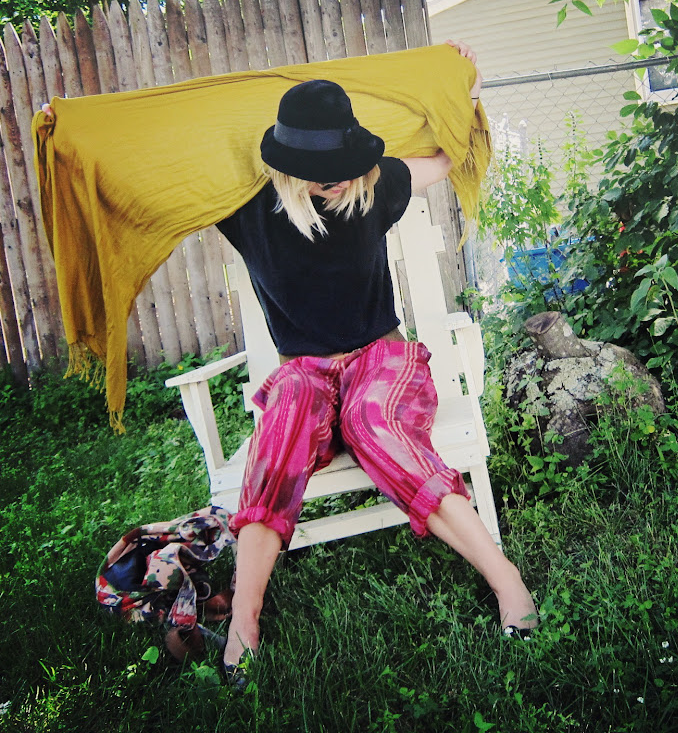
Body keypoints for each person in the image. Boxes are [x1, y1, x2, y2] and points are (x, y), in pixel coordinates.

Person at [214, 41, 538, 685]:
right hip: (304, 370)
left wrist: (463, 85)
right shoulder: (245, 209)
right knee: (281, 428)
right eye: (319, 166)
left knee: (372, 425)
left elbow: (447, 154)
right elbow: (151, 180)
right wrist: (74, 132)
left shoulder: (376, 184)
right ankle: (242, 626)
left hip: (381, 360)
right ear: (288, 162)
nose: (333, 176)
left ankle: (509, 584)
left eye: (341, 161)